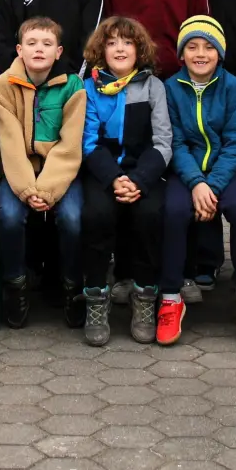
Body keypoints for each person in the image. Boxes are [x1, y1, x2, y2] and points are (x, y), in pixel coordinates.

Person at [157, 16, 236, 345]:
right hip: (186, 171)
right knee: (175, 212)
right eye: (192, 47)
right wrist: (196, 183)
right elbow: (174, 142)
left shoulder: (234, 87)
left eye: (209, 47)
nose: (200, 54)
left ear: (220, 53)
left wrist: (213, 185)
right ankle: (170, 297)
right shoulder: (170, 88)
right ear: (181, 54)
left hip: (225, 171)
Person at [0, 18, 90, 329]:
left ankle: (73, 286)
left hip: (59, 173)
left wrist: (46, 190)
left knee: (72, 218)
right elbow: (9, 144)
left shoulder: (73, 86)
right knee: (8, 216)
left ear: (58, 51)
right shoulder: (4, 85)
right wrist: (26, 189)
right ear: (19, 50)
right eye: (31, 43)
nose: (39, 49)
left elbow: (70, 146)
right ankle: (15, 285)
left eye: (47, 44)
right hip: (19, 171)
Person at [78, 17, 170, 345]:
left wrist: (139, 180)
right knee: (96, 216)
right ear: (101, 50)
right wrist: (115, 179)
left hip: (143, 174)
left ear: (139, 49)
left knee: (150, 215)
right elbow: (88, 142)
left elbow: (162, 142)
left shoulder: (153, 87)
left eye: (127, 42)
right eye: (112, 42)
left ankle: (144, 297)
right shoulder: (89, 87)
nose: (120, 48)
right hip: (103, 175)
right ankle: (96, 298)